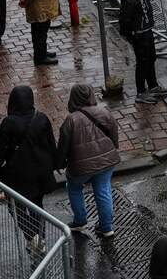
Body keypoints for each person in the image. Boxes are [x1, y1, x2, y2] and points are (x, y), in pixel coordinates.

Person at [0, 86, 57, 249]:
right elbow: (51, 146)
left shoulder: (9, 123)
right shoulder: (42, 118)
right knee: (37, 207)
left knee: (16, 208)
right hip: (40, 174)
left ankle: (32, 237)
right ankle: (40, 239)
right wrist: (55, 165)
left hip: (18, 177)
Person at [57, 83, 120, 238]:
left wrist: (59, 163)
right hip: (106, 162)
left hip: (80, 167)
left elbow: (63, 146)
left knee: (74, 187)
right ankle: (107, 227)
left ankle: (80, 221)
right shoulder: (105, 112)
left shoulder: (71, 120)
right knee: (103, 190)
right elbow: (114, 136)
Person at [119, 0, 167, 104]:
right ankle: (141, 92)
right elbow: (125, 18)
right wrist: (131, 35)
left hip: (147, 31)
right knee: (142, 62)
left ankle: (153, 85)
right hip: (139, 34)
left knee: (151, 58)